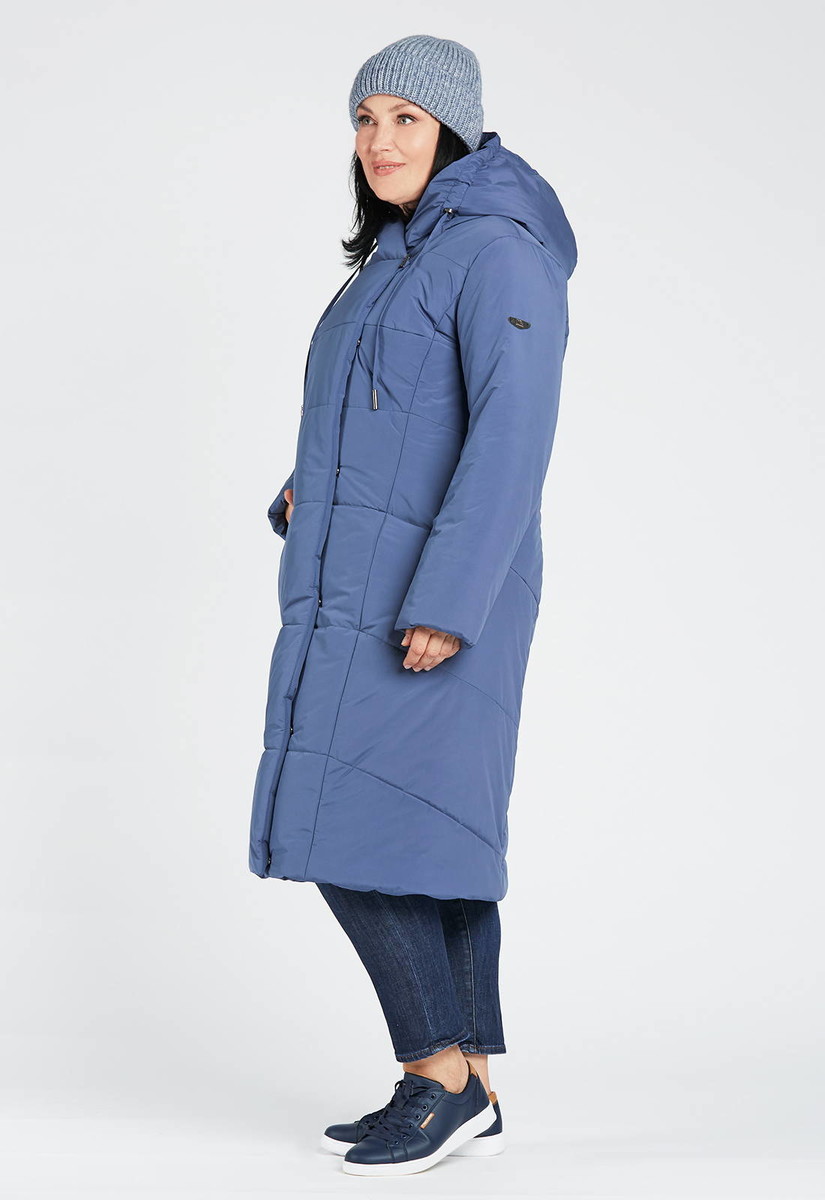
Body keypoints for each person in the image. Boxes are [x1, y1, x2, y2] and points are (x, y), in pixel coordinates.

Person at [248, 33, 577, 1177]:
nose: (379, 140)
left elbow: (512, 439)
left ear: (456, 132)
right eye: (365, 117)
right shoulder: (393, 258)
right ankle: (471, 1080)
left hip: (437, 595)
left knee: (355, 827)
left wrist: (450, 600)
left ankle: (433, 1074)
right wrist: (307, 488)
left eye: (405, 118)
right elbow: (389, 413)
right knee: (432, 836)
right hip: (363, 585)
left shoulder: (497, 251)